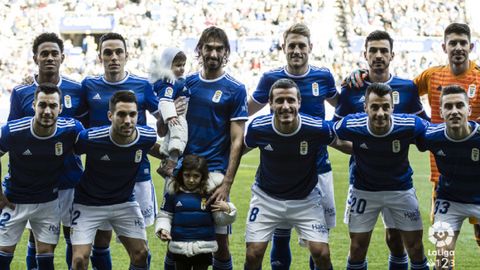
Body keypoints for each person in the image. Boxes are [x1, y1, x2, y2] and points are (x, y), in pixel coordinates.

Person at [346, 22, 480, 247]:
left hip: (477, 172)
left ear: (471, 46)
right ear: (443, 47)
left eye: (462, 43)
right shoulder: (432, 76)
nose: (458, 48)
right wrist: (364, 75)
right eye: (453, 43)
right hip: (443, 175)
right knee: (443, 247)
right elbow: (397, 92)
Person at [334, 30, 429, 270]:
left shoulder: (407, 89)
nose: (378, 55)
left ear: (392, 55)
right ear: (364, 54)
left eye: (383, 50)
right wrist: (362, 147)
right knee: (358, 247)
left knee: (407, 242)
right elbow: (335, 134)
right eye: (373, 50)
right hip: (363, 183)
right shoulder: (351, 87)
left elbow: (427, 133)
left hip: (403, 183)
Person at [247, 23, 338, 270]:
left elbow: (342, 107)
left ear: (310, 48)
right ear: (283, 48)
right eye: (292, 46)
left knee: (318, 242)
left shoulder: (323, 76)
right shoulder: (270, 78)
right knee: (280, 231)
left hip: (319, 167)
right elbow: (245, 111)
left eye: (301, 45)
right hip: (282, 168)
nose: (296, 50)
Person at [159, 26, 248, 270]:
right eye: (208, 47)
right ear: (200, 50)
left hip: (214, 176)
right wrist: (168, 113)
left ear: (226, 52)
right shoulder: (185, 84)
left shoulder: (236, 89)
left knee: (220, 241)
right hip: (182, 173)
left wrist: (227, 184)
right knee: (175, 235)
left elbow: (237, 140)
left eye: (219, 48)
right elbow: (161, 128)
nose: (213, 53)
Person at [244, 78, 351, 270]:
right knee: (253, 254)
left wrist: (375, 146)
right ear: (271, 104)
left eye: (291, 100)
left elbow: (342, 144)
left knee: (322, 253)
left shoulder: (316, 127)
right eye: (280, 101)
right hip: (266, 197)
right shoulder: (258, 127)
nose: (286, 106)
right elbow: (238, 149)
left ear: (299, 103)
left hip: (306, 199)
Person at [81, 32, 162, 269]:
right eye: (108, 52)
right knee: (101, 241)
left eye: (118, 52)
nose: (113, 57)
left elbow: (163, 125)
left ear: (127, 55)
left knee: (140, 249)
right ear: (100, 57)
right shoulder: (88, 86)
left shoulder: (143, 85)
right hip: (99, 177)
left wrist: (171, 108)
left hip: (138, 175)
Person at [8, 32, 86, 270]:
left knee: (75, 238)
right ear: (35, 58)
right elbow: (12, 136)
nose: (49, 58)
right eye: (44, 54)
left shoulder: (77, 89)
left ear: (62, 57)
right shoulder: (21, 93)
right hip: (36, 184)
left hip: (70, 179)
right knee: (37, 239)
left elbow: (85, 136)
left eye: (54, 53)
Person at [70, 90, 158, 270]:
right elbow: (72, 151)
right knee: (79, 259)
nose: (128, 120)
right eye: (121, 114)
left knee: (142, 253)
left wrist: (172, 162)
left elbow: (159, 151)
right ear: (110, 115)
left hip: (124, 202)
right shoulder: (91, 138)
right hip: (88, 203)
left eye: (133, 114)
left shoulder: (147, 136)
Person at [416, 85, 480, 269]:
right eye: (449, 107)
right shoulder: (430, 136)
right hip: (449, 201)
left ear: (468, 109)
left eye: (459, 105)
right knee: (443, 259)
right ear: (441, 112)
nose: (454, 111)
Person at [155, 154, 237, 270]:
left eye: (196, 176)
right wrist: (163, 229)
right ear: (181, 175)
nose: (191, 180)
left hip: (204, 247)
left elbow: (221, 220)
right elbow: (165, 215)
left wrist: (228, 209)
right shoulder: (172, 193)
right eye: (187, 175)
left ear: (203, 176)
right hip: (179, 246)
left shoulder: (211, 195)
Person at [150, 47, 189, 178]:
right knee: (180, 135)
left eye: (183, 65)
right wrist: (171, 115)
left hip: (177, 112)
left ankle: (164, 164)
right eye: (178, 65)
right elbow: (165, 100)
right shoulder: (169, 80)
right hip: (177, 115)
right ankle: (171, 165)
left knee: (168, 140)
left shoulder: (178, 79)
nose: (182, 68)